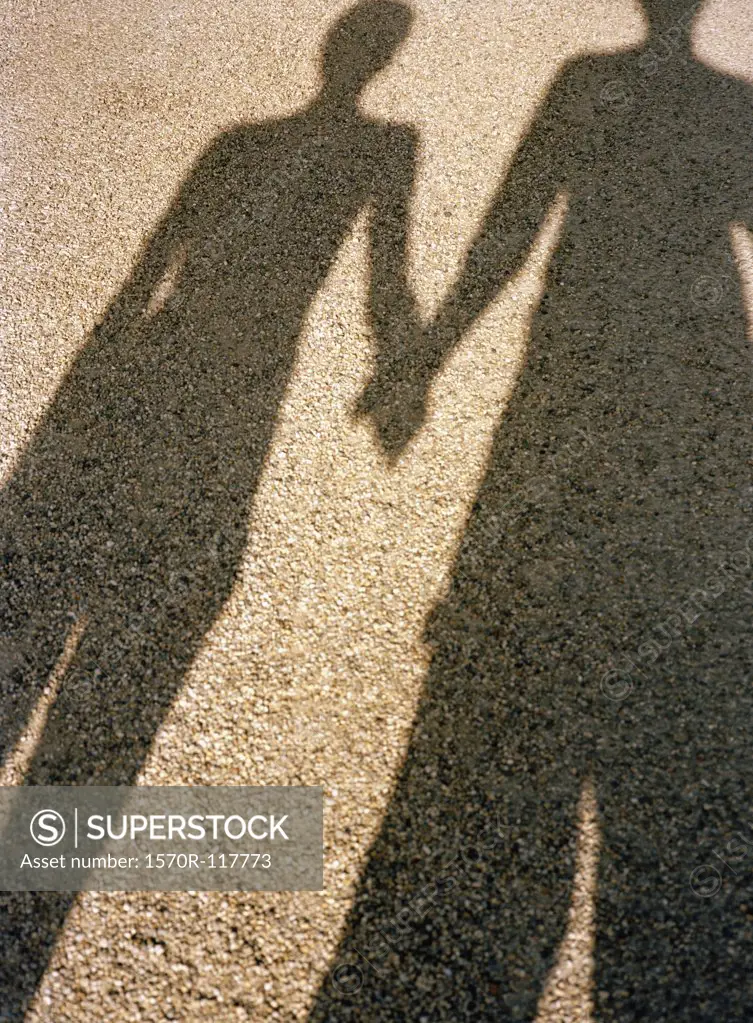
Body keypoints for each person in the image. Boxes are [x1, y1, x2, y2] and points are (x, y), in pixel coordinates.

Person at [315, 2, 753, 1019]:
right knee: (692, 634)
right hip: (701, 380)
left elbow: (513, 224)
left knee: (532, 606)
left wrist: (427, 353)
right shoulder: (732, 105)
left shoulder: (585, 83)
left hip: (577, 365)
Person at [0, 3, 419, 1013]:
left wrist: (79, 396)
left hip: (173, 349)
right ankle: (45, 864)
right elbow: (383, 277)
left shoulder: (242, 142)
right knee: (170, 595)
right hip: (248, 376)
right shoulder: (389, 148)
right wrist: (403, 365)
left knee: (86, 582)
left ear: (332, 52)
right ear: (381, 60)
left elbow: (151, 265)